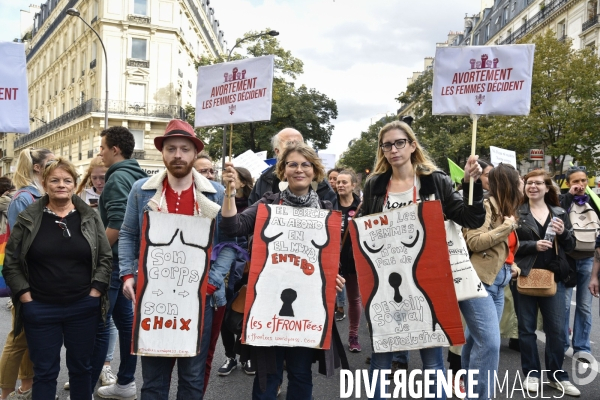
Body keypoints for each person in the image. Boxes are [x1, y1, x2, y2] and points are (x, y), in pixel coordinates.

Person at [361, 120, 484, 400]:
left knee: (432, 360)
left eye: (400, 143)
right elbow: (364, 228)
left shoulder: (434, 180)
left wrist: (470, 184)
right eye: (387, 145)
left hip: (426, 282)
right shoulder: (375, 185)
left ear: (412, 145)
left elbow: (470, 218)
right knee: (382, 358)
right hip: (386, 280)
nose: (394, 149)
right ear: (382, 150)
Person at [220, 141, 346, 399]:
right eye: (292, 164)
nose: (299, 169)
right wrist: (230, 192)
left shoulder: (325, 210)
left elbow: (331, 258)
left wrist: (335, 277)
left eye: (305, 164)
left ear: (315, 171)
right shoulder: (267, 205)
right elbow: (233, 227)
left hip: (308, 309)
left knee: (300, 373)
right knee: (269, 375)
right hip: (268, 306)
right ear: (283, 170)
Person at [119, 119, 230, 399]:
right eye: (171, 149)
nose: (177, 154)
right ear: (163, 153)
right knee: (154, 381)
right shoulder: (141, 190)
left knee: (192, 378)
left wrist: (212, 282)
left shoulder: (216, 193)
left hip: (200, 299)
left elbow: (230, 245)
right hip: (154, 296)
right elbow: (129, 234)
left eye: (184, 149)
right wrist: (128, 274)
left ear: (194, 154)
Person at [3, 157, 112, 400]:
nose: (61, 184)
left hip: (83, 306)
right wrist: (26, 297)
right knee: (44, 372)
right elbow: (11, 262)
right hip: (40, 307)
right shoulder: (29, 217)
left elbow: (105, 257)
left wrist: (95, 292)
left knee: (82, 369)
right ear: (44, 183)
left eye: (67, 180)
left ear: (75, 184)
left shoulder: (89, 217)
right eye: (54, 180)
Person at [94, 127, 148, 400]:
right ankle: (125, 383)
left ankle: (84, 390)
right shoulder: (137, 175)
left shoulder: (117, 179)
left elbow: (116, 224)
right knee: (126, 326)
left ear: (115, 149)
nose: (100, 152)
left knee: (99, 328)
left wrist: (96, 254)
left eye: (102, 147)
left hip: (113, 264)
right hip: (129, 263)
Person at [514, 170, 579, 396]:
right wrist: (533, 245)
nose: (533, 187)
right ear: (524, 187)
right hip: (525, 275)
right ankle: (531, 374)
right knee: (526, 330)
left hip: (553, 279)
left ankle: (556, 375)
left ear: (547, 188)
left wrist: (564, 234)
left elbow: (571, 246)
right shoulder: (516, 213)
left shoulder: (559, 213)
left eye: (538, 183)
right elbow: (508, 245)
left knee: (557, 331)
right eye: (529, 183)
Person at [461, 163, 522, 399]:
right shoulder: (485, 206)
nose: (523, 184)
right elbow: (474, 241)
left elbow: (506, 250)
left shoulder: (509, 209)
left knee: (476, 340)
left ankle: (470, 391)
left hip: (499, 282)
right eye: (520, 180)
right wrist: (506, 227)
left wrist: (512, 266)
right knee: (489, 344)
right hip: (480, 282)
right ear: (510, 183)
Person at [0, 148, 53, 400]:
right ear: (38, 168)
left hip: (41, 277)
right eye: (51, 162)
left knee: (31, 336)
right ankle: (6, 392)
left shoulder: (42, 194)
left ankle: (26, 388)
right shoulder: (24, 198)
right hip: (26, 278)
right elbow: (19, 246)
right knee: (18, 337)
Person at [216, 166, 255, 378]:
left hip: (247, 265)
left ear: (243, 182)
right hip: (224, 264)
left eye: (234, 177)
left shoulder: (254, 205)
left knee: (245, 311)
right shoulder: (221, 200)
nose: (228, 179)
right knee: (223, 310)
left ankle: (246, 355)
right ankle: (230, 356)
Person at [559, 166, 598, 361]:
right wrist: (568, 197)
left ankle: (582, 347)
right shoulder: (562, 200)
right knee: (564, 305)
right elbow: (556, 217)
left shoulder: (594, 201)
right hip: (567, 259)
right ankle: (562, 343)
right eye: (576, 181)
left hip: (589, 259)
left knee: (584, 305)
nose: (581, 185)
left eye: (583, 181)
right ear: (568, 183)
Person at [248, 128, 337, 207]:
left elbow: (332, 221)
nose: (295, 148)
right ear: (277, 151)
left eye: (299, 143)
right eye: (290, 144)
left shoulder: (322, 184)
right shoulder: (265, 180)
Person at [336, 169, 362, 352]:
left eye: (344, 182)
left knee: (354, 299)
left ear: (354, 185)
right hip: (333, 261)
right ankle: (325, 337)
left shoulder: (362, 207)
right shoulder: (329, 205)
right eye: (338, 182)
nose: (340, 185)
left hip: (354, 260)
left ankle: (353, 336)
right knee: (327, 299)